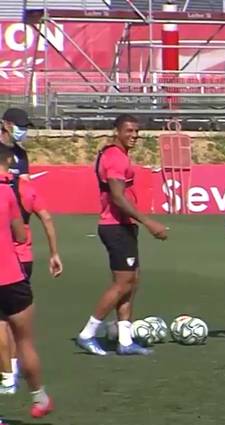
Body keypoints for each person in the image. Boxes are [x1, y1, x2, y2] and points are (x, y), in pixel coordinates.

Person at [75, 114, 168, 356]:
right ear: (117, 131)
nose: (134, 135)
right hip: (114, 226)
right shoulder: (115, 158)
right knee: (123, 282)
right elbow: (117, 197)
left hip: (122, 226)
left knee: (132, 281)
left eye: (136, 131)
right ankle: (87, 333)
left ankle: (125, 340)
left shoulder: (117, 155)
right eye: (129, 131)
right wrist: (148, 222)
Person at [1, 107, 62, 394]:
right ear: (6, 124)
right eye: (20, 125)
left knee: (11, 316)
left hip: (18, 238)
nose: (23, 130)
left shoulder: (21, 156)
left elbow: (23, 192)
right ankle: (11, 373)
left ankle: (10, 371)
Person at [0, 145, 53, 425]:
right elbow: (20, 234)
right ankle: (39, 397)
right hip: (10, 276)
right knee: (25, 341)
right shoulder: (8, 192)